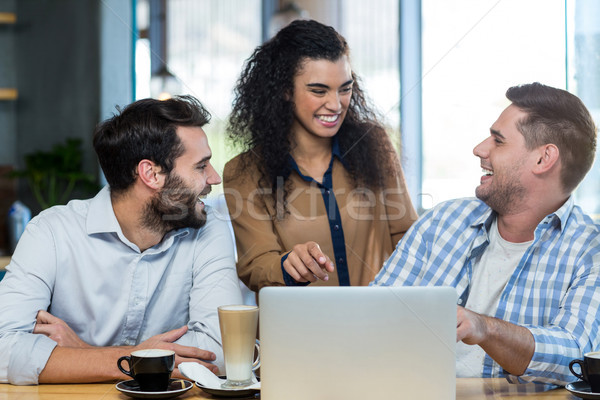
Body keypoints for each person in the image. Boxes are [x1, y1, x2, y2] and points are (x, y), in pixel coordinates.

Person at [0, 95, 243, 385]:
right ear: (150, 174)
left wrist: (85, 353)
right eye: (201, 166)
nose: (214, 178)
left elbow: (221, 352)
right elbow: (4, 349)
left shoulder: (208, 229)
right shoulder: (51, 232)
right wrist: (131, 358)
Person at [372, 82, 600, 388]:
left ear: (543, 159)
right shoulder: (442, 221)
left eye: (499, 141)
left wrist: (485, 328)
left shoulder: (591, 250)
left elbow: (576, 359)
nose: (480, 149)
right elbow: (371, 316)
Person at [223, 19, 417, 292]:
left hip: (378, 323)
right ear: (285, 90)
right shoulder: (244, 172)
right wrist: (288, 265)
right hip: (299, 331)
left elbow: (407, 236)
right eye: (318, 90)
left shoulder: (373, 143)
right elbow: (256, 266)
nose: (336, 104)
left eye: (345, 88)